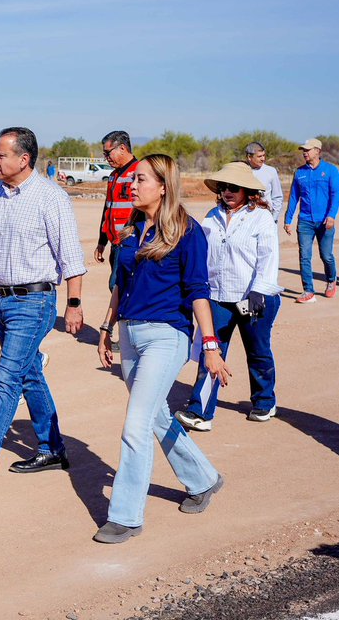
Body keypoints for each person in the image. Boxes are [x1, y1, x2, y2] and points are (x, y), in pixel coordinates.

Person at [93, 154, 230, 544]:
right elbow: (120, 284)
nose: (131, 186)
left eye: (140, 180)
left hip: (167, 336)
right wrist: (106, 328)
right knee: (154, 417)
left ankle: (125, 516)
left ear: (163, 186)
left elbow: (199, 292)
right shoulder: (131, 229)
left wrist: (210, 346)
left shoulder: (189, 232)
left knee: (135, 424)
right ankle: (202, 479)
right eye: (132, 181)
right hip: (130, 335)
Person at [0, 127, 86, 492]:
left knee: (7, 377)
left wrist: (73, 305)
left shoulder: (50, 198)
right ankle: (52, 447)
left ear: (23, 160)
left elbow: (71, 257)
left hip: (34, 302)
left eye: (1, 155)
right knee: (28, 375)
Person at [174, 162, 283, 432]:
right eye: (223, 187)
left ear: (247, 190)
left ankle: (264, 400)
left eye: (233, 187)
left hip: (253, 297)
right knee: (210, 351)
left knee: (257, 350)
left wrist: (260, 290)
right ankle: (200, 411)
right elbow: (200, 252)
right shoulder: (212, 216)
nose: (227, 192)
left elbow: (269, 257)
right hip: (219, 297)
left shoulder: (261, 218)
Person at [283, 138, 339, 303]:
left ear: (318, 151)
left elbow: (336, 195)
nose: (304, 153)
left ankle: (331, 280)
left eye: (308, 150)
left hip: (325, 221)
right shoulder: (299, 172)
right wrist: (288, 219)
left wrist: (331, 216)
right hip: (305, 221)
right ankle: (308, 290)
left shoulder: (330, 170)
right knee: (304, 256)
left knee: (326, 255)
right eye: (303, 150)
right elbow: (294, 197)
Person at [95, 131, 141, 292]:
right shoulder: (113, 176)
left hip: (131, 242)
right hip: (115, 242)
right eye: (104, 154)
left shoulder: (140, 172)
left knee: (117, 285)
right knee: (118, 286)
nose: (106, 158)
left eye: (108, 153)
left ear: (122, 148)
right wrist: (101, 242)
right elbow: (107, 209)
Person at [245, 141, 283, 218]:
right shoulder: (242, 171)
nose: (263, 159)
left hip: (266, 217)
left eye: (264, 155)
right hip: (246, 217)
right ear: (249, 157)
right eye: (259, 156)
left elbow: (277, 197)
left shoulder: (271, 171)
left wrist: (273, 218)